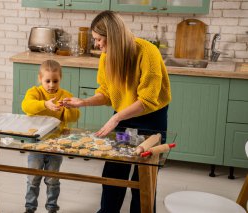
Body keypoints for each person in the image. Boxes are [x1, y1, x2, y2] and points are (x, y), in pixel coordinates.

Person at [61, 10, 171, 213]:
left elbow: (147, 101)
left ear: (113, 36)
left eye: (99, 39)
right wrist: (82, 102)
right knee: (114, 171)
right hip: (124, 119)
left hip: (151, 120)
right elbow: (106, 94)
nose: (96, 44)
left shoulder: (148, 52)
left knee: (144, 176)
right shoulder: (106, 57)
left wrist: (116, 118)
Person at [21, 59, 80, 213]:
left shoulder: (65, 95)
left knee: (53, 179)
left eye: (55, 81)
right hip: (36, 142)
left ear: (60, 79)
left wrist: (69, 107)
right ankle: (30, 207)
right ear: (40, 79)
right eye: (47, 81)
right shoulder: (35, 92)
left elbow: (74, 117)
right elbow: (26, 106)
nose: (52, 85)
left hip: (56, 143)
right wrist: (45, 104)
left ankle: (52, 207)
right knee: (33, 178)